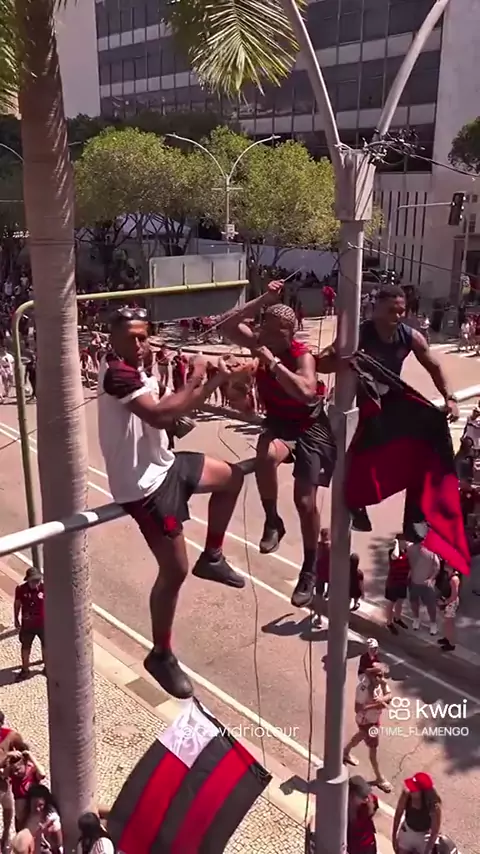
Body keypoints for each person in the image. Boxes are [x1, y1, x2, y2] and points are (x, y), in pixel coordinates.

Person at [97, 306, 246, 699]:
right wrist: (197, 375)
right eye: (132, 338)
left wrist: (216, 379)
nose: (140, 344)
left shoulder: (141, 370)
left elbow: (179, 408)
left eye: (144, 336)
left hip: (165, 464)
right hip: (142, 487)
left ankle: (212, 556)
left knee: (232, 477)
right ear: (113, 338)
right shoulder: (117, 373)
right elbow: (162, 416)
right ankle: (160, 653)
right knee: (175, 570)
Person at [222, 281, 337, 608]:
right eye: (266, 329)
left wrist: (273, 363)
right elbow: (227, 324)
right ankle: (273, 520)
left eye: (278, 332)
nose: (269, 336)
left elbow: (306, 392)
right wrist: (265, 298)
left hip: (310, 425)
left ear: (291, 331)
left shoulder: (302, 355)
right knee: (265, 453)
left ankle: (309, 567)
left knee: (305, 501)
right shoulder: (261, 342)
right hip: (279, 424)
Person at [316, 285, 459, 420]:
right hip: (359, 402)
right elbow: (322, 364)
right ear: (376, 310)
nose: (397, 316)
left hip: (389, 401)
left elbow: (434, 367)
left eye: (401, 312)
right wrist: (349, 362)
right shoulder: (359, 334)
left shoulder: (412, 337)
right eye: (391, 311)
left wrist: (450, 399)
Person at [343, 662, 392, 793]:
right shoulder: (362, 689)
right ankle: (379, 778)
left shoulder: (380, 682)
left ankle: (345, 752)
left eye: (382, 675)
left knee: (360, 736)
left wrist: (382, 699)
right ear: (371, 676)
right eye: (379, 676)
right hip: (367, 722)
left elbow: (389, 696)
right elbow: (357, 708)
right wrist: (376, 705)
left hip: (374, 719)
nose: (382, 679)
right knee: (373, 749)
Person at [392, 773, 442, 854]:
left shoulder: (433, 806)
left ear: (423, 792)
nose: (410, 789)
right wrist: (394, 837)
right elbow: (398, 814)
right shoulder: (406, 795)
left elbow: (435, 831)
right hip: (408, 831)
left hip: (424, 835)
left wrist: (428, 850)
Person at [14, 567, 45, 681]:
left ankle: (46, 667)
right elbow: (17, 604)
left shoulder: (44, 588)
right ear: (27, 580)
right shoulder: (21, 589)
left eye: (38, 580)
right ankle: (25, 670)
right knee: (25, 647)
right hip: (28, 625)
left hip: (43, 624)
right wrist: (16, 618)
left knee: (46, 646)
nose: (36, 583)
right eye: (33, 581)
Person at [3, 750, 46, 830]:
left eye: (18, 769)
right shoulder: (13, 775)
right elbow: (3, 774)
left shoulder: (31, 771)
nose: (15, 773)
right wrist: (8, 756)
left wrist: (30, 756)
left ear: (25, 764)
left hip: (34, 805)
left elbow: (42, 774)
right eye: (13, 770)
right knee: (20, 803)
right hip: (20, 810)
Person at [407, 544, 439, 636]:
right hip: (414, 582)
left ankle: (433, 623)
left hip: (427, 585)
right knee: (414, 601)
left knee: (431, 605)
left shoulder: (432, 549)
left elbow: (437, 566)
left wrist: (431, 579)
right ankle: (416, 619)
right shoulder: (410, 548)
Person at [21, 784, 62, 853]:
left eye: (40, 805)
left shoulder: (50, 813)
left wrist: (45, 826)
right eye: (34, 805)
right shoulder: (27, 816)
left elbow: (54, 817)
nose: (37, 809)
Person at [347, 775, 379, 854]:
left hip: (367, 844)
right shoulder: (343, 808)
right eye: (363, 796)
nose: (367, 799)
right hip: (353, 846)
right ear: (352, 795)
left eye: (366, 795)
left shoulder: (371, 801)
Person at [385, 536, 410, 635]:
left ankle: (397, 618)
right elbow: (395, 556)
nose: (405, 543)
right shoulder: (392, 552)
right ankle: (389, 622)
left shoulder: (406, 553)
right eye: (403, 541)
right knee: (391, 602)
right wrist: (396, 544)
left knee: (400, 601)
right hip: (393, 582)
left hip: (402, 582)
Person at [435, 563, 460, 652]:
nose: (445, 565)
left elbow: (454, 596)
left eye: (448, 564)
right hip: (447, 601)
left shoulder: (454, 579)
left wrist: (444, 602)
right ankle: (447, 638)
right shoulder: (448, 575)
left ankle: (451, 644)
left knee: (449, 624)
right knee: (446, 622)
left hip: (451, 603)